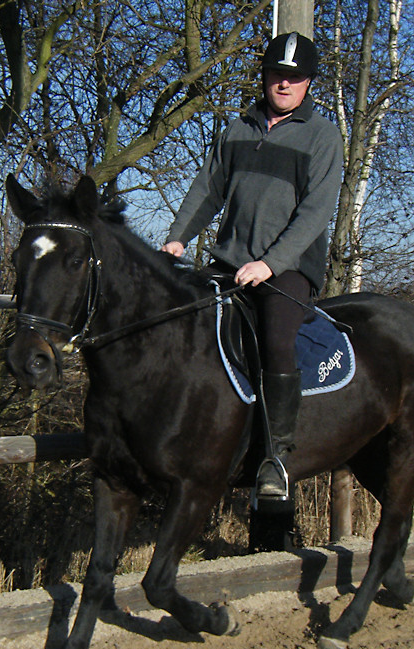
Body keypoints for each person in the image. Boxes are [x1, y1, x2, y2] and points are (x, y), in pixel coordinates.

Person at [161, 31, 343, 511]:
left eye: (295, 77)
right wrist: (177, 237)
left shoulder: (322, 136)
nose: (285, 84)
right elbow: (206, 190)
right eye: (278, 75)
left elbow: (316, 212)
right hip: (229, 261)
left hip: (288, 269)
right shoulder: (236, 131)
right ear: (265, 77)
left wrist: (271, 263)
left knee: (278, 341)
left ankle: (275, 461)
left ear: (307, 84)